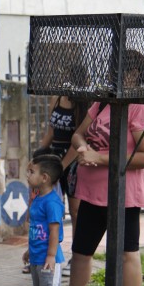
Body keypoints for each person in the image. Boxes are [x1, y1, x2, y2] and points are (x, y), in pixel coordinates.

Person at [59, 51, 144, 286]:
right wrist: (82, 148)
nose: (109, 75)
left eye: (116, 70)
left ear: (132, 74)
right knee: (81, 251)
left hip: (124, 193)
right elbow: (79, 134)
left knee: (127, 253)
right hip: (92, 190)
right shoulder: (102, 102)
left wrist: (101, 157)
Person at [38, 94, 89, 275]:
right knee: (48, 207)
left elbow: (79, 140)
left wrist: (62, 166)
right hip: (54, 159)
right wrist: (40, 155)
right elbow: (51, 131)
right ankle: (43, 255)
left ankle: (76, 258)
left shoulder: (83, 103)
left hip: (72, 162)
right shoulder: (57, 99)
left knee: (75, 212)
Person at [21, 154, 65, 286]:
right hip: (37, 256)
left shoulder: (52, 202)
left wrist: (51, 256)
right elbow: (36, 229)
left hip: (49, 259)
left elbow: (54, 231)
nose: (27, 175)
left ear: (45, 177)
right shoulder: (38, 198)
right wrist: (29, 251)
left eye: (31, 172)